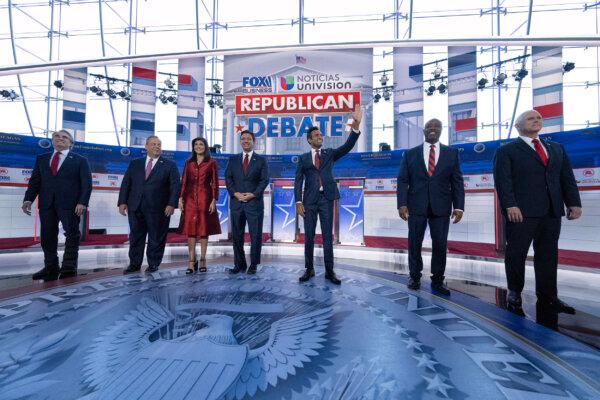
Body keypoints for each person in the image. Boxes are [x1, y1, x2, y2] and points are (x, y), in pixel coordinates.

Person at [493, 110, 582, 316]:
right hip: (521, 212)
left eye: (539, 118)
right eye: (531, 118)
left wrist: (573, 203)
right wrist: (510, 205)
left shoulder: (556, 148)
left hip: (551, 211)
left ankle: (548, 296)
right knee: (516, 254)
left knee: (548, 255)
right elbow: (503, 181)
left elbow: (566, 178)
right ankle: (514, 293)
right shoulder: (507, 150)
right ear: (518, 126)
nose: (537, 120)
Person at [295, 104, 363, 285]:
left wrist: (355, 126)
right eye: (316, 136)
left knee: (327, 236)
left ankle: (329, 271)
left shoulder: (329, 154)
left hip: (326, 199)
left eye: (320, 135)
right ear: (309, 140)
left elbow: (348, 146)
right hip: (309, 201)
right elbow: (298, 181)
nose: (320, 137)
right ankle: (309, 270)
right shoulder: (303, 158)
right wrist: (298, 202)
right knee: (308, 236)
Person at [396, 118, 465, 295]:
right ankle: (414, 276)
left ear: (442, 130)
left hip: (441, 206)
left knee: (440, 244)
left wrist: (459, 207)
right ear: (424, 130)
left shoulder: (452, 153)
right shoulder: (410, 154)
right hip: (415, 205)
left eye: (436, 126)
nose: (432, 129)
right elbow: (403, 180)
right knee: (414, 242)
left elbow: (457, 181)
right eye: (429, 126)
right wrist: (402, 204)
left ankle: (438, 279)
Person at [22, 129, 92, 281]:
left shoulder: (80, 160)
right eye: (57, 136)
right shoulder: (42, 159)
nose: (60, 139)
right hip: (47, 204)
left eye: (65, 137)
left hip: (71, 205)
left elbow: (87, 184)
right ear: (52, 140)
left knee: (72, 235)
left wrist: (82, 202)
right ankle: (50, 267)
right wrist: (28, 199)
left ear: (71, 143)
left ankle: (69, 267)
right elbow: (35, 181)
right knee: (47, 237)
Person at [118, 135, 180, 274]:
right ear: (146, 146)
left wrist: (171, 204)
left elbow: (175, 186)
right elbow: (126, 183)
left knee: (156, 237)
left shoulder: (169, 165)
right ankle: (134, 264)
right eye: (153, 144)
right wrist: (122, 202)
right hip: (135, 206)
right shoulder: (135, 163)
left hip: (159, 209)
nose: (157, 146)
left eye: (159, 144)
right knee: (136, 237)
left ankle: (153, 264)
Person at [225, 130, 269, 275]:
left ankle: (254, 264)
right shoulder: (233, 160)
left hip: (254, 203)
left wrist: (253, 194)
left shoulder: (261, 160)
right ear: (240, 142)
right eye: (243, 139)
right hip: (237, 203)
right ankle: (239, 264)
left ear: (253, 141)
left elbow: (264, 181)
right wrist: (235, 193)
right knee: (237, 235)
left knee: (255, 235)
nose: (246, 141)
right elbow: (228, 179)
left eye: (249, 139)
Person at [178, 137, 221, 274]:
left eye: (201, 144)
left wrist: (214, 199)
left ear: (205, 146)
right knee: (190, 230)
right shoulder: (188, 163)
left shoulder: (211, 163)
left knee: (204, 230)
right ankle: (191, 261)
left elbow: (214, 183)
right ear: (193, 147)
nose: (198, 146)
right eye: (195, 144)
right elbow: (184, 181)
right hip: (189, 199)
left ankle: (202, 259)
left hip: (205, 199)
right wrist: (180, 198)